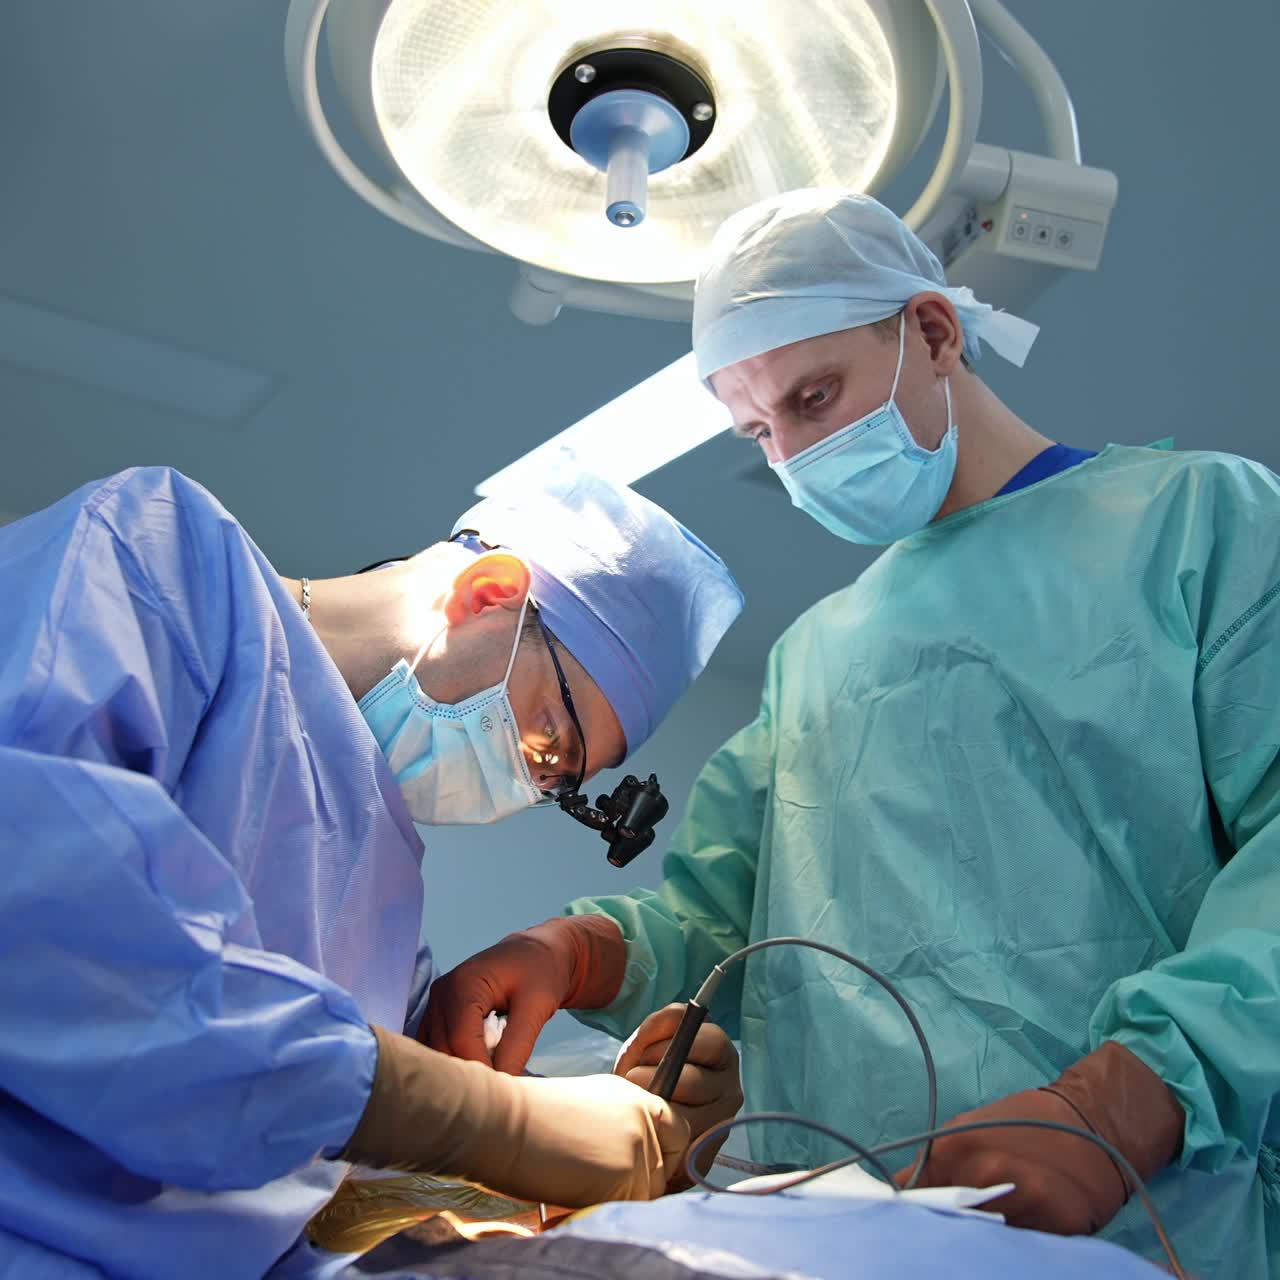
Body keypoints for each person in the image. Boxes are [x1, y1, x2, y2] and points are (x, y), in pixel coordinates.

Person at [425, 188, 1280, 1279]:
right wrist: (577, 951)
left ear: (933, 330)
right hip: (828, 1231)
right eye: (757, 431)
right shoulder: (817, 654)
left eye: (813, 396)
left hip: (1148, 1228)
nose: (791, 452)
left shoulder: (1202, 527)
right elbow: (727, 919)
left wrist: (1127, 1098)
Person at [0, 463, 744, 1279]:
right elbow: (44, 925)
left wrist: (628, 1116)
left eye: (553, 787)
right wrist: (499, 1122)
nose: (522, 787)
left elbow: (366, 1120)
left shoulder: (378, 861)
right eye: (544, 742)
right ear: (490, 594)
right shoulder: (157, 562)